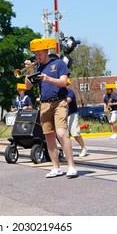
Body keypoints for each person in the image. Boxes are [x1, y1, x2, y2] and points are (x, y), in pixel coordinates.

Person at [24, 38, 77, 178]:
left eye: (39, 54)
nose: (37, 57)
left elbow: (64, 82)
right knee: (49, 136)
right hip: (45, 104)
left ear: (46, 51)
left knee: (61, 133)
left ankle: (71, 166)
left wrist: (48, 79)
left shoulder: (58, 63)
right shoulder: (37, 68)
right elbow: (27, 86)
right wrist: (28, 71)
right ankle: (56, 167)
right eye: (35, 54)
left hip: (59, 102)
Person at [66, 87, 88, 157]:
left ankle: (83, 147)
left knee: (75, 133)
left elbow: (68, 100)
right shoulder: (58, 92)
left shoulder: (70, 92)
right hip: (63, 115)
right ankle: (67, 151)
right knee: (64, 135)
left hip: (72, 114)